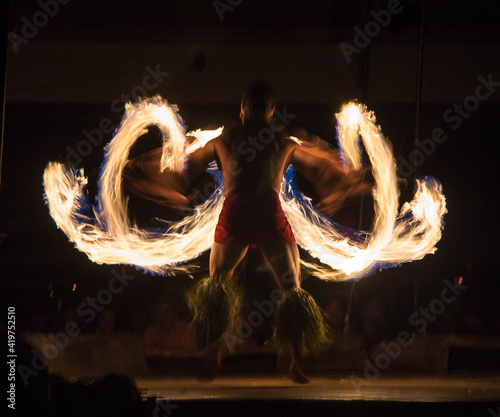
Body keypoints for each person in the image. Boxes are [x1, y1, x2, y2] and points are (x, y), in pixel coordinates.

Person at [124, 81, 371, 383]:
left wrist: (160, 184)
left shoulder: (224, 136)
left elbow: (184, 166)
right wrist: (349, 185)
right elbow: (321, 168)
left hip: (236, 215)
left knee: (217, 286)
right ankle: (293, 363)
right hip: (268, 215)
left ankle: (213, 355)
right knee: (292, 290)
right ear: (271, 111)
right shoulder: (283, 140)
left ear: (242, 109)